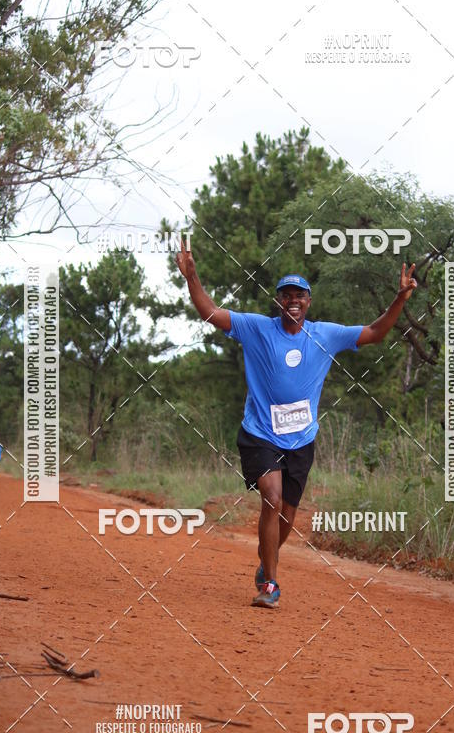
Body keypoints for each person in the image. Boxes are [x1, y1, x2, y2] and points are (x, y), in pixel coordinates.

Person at [176, 240, 417, 609]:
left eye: (299, 295)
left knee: (288, 515)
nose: (293, 300)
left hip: (301, 440)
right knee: (270, 500)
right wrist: (192, 276)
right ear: (278, 301)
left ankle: (265, 563)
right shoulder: (256, 328)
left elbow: (375, 332)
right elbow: (209, 312)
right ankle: (270, 584)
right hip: (260, 433)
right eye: (286, 295)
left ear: (308, 301)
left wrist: (400, 298)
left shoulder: (325, 335)